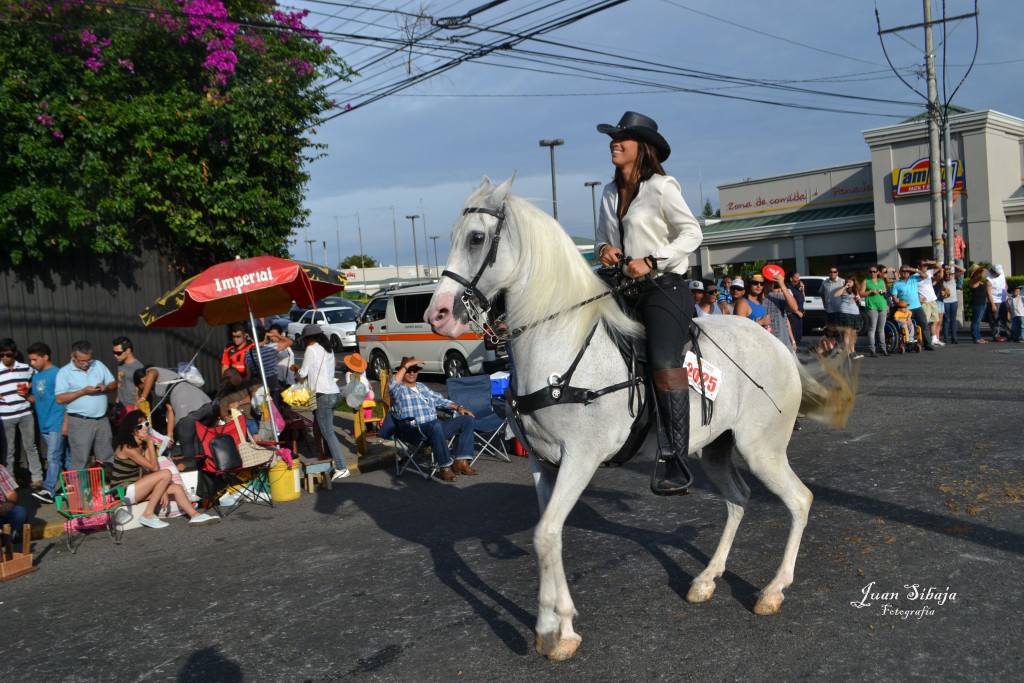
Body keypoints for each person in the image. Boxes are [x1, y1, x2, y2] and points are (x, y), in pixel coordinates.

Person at [594, 111, 703, 496]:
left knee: (661, 359)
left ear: (644, 148)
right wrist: (605, 249)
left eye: (622, 137)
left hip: (664, 289)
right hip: (624, 289)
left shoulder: (661, 186)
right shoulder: (608, 192)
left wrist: (653, 260)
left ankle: (674, 456)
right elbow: (601, 240)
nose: (614, 142)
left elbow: (693, 232)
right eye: (612, 137)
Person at [110, 410, 219, 528]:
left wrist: (161, 489)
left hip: (136, 487)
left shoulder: (143, 445)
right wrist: (151, 444)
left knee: (176, 488)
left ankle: (195, 515)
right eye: (140, 426)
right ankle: (148, 514)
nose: (145, 428)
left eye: (147, 424)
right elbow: (155, 467)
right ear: (132, 430)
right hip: (123, 491)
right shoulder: (127, 448)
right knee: (166, 473)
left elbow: (152, 470)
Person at [388, 356, 476, 483]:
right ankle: (445, 467)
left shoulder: (422, 387)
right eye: (409, 370)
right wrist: (406, 365)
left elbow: (440, 400)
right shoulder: (398, 389)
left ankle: (460, 462)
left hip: (435, 429)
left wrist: (458, 407)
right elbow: (392, 383)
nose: (412, 373)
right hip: (414, 431)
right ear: (402, 371)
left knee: (467, 419)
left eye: (415, 370)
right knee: (436, 425)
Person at [290, 325, 349, 481]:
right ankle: (331, 462)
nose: (305, 342)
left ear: (310, 338)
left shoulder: (311, 349)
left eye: (306, 339)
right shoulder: (328, 349)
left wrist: (295, 369)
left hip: (322, 394)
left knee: (327, 432)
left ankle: (342, 467)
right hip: (334, 392)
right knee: (326, 430)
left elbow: (303, 373)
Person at [55, 340, 117, 469]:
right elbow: (60, 398)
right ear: (73, 357)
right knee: (80, 460)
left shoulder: (98, 365)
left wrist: (105, 388)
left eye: (88, 360)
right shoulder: (64, 372)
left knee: (106, 458)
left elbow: (114, 384)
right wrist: (82, 391)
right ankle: (83, 489)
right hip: (80, 421)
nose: (86, 364)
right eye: (82, 361)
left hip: (102, 420)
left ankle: (107, 486)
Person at [135, 366, 214, 466]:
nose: (146, 390)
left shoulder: (151, 371)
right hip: (206, 405)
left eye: (142, 387)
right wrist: (169, 433)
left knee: (186, 441)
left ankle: (192, 469)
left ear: (143, 380)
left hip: (190, 408)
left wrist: (143, 397)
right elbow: (170, 410)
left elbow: (151, 374)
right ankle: (206, 469)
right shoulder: (164, 382)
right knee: (198, 442)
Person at [25, 342, 68, 504]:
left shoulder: (57, 374)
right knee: (64, 456)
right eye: (31, 360)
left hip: (56, 421)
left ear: (45, 357)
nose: (32, 363)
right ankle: (74, 486)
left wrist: (65, 422)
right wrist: (25, 396)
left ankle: (49, 489)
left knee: (53, 456)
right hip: (44, 423)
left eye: (35, 360)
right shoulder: (36, 376)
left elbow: (65, 400)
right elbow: (36, 399)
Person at [0, 339, 43, 487]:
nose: (5, 358)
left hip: (25, 412)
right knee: (9, 450)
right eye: (2, 355)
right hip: (5, 415)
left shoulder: (25, 368)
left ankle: (37, 478)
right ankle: (10, 482)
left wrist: (28, 386)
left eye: (8, 355)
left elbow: (38, 375)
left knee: (30, 446)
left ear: (15, 354)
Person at [891, 266, 935, 351]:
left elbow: (925, 276)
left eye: (907, 271)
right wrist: (899, 306)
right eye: (903, 271)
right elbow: (894, 297)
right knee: (907, 325)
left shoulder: (913, 278)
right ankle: (907, 343)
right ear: (900, 272)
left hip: (917, 306)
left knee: (924, 324)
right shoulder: (896, 284)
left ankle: (928, 344)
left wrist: (914, 269)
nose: (905, 272)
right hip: (905, 309)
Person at [245, 324, 292, 391]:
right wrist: (275, 335)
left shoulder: (248, 353)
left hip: (258, 387)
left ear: (252, 339)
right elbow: (289, 342)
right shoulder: (271, 347)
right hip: (273, 386)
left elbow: (248, 374)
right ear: (265, 337)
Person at [111, 336, 144, 427]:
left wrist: (136, 407)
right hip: (122, 407)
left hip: (133, 406)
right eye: (114, 352)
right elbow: (120, 383)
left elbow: (140, 388)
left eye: (118, 353)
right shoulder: (121, 364)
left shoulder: (137, 367)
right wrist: (116, 403)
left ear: (128, 350)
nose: (115, 355)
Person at [831, 274, 864, 358]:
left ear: (854, 282)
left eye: (850, 281)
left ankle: (853, 351)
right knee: (847, 333)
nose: (848, 283)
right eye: (847, 281)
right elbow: (835, 295)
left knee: (853, 334)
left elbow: (857, 300)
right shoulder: (844, 290)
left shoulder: (856, 290)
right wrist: (845, 287)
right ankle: (848, 352)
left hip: (855, 313)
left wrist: (858, 300)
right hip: (846, 313)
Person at [859, 265, 889, 357]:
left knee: (881, 328)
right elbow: (861, 293)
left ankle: (883, 349)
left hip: (882, 305)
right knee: (872, 328)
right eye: (871, 271)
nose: (872, 273)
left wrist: (883, 291)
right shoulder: (866, 281)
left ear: (878, 272)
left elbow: (885, 290)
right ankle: (872, 349)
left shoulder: (881, 280)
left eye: (874, 271)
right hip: (871, 306)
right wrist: (870, 291)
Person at [915, 259, 942, 345]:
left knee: (935, 320)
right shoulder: (915, 276)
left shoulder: (929, 272)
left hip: (933, 300)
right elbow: (913, 290)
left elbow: (939, 267)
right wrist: (918, 298)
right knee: (924, 322)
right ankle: (923, 340)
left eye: (926, 266)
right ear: (918, 267)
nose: (926, 267)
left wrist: (931, 262)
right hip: (925, 302)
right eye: (924, 265)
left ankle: (934, 339)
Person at [0, 462, 27, 542]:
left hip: (2, 510)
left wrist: (9, 503)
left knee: (20, 512)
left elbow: (11, 493)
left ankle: (11, 537)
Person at [939, 263, 965, 344]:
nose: (948, 271)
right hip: (946, 301)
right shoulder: (941, 279)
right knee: (946, 319)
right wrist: (942, 270)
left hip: (954, 300)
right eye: (946, 269)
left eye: (948, 269)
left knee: (953, 319)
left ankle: (954, 337)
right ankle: (946, 338)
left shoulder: (953, 276)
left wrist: (954, 265)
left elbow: (963, 270)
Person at [968, 266, 993, 344]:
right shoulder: (972, 281)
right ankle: (976, 338)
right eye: (979, 271)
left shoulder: (980, 282)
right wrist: (981, 270)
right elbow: (982, 276)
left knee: (978, 322)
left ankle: (979, 336)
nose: (982, 272)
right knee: (975, 322)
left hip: (982, 303)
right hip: (976, 303)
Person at [818, 267, 846, 331]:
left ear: (837, 273)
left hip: (839, 310)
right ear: (829, 273)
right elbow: (821, 293)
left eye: (834, 272)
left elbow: (848, 294)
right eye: (831, 272)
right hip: (829, 310)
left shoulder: (842, 281)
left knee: (840, 330)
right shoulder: (825, 282)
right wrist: (824, 303)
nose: (832, 273)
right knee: (830, 330)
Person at [987, 264, 1009, 341]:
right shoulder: (989, 279)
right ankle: (996, 336)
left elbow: (1005, 285)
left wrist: (1006, 292)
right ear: (992, 271)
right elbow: (989, 293)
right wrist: (992, 305)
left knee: (1006, 318)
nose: (998, 274)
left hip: (1003, 300)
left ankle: (1008, 334)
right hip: (995, 301)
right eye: (996, 273)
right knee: (995, 319)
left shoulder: (1002, 274)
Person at [785, 271, 806, 348]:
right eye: (796, 277)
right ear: (791, 278)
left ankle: (797, 348)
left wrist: (803, 289)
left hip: (799, 313)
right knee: (794, 333)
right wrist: (797, 312)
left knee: (798, 334)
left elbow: (803, 299)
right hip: (793, 314)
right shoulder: (788, 287)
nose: (798, 279)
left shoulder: (797, 287)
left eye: (799, 277)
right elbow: (789, 302)